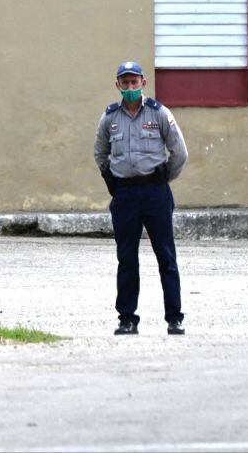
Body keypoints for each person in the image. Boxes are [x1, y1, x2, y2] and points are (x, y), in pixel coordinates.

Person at [93, 61, 189, 336]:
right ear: (118, 86)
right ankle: (127, 318)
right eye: (125, 83)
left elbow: (179, 152)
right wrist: (114, 184)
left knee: (166, 255)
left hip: (155, 192)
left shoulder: (159, 113)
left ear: (143, 83)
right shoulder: (109, 118)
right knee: (126, 258)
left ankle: (174, 317)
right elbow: (100, 154)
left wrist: (161, 181)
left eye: (135, 82)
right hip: (124, 195)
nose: (130, 87)